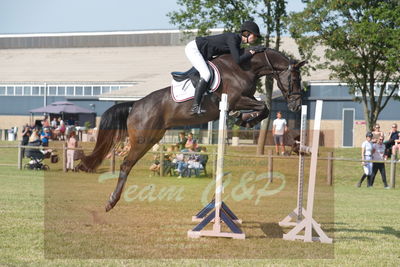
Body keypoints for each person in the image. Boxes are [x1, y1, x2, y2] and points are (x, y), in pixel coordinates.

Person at [185, 20, 262, 115]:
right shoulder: (233, 39)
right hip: (194, 49)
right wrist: (250, 53)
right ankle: (195, 106)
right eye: (254, 36)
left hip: (203, 52)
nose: (255, 39)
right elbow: (238, 60)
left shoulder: (236, 41)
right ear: (246, 33)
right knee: (206, 74)